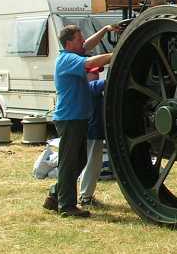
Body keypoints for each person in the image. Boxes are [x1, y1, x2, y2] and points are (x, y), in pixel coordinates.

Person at [42, 23, 119, 217]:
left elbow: (88, 46)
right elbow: (90, 60)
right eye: (78, 38)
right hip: (70, 118)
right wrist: (118, 52)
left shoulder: (73, 54)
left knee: (80, 160)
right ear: (69, 43)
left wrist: (106, 29)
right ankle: (66, 206)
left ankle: (54, 195)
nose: (82, 40)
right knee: (69, 162)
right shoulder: (67, 59)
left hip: (78, 118)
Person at [78, 67, 106, 206]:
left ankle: (85, 195)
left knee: (91, 164)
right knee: (92, 165)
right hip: (92, 132)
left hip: (93, 131)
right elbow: (107, 82)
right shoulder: (88, 87)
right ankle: (85, 197)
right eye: (94, 72)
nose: (97, 75)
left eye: (98, 72)